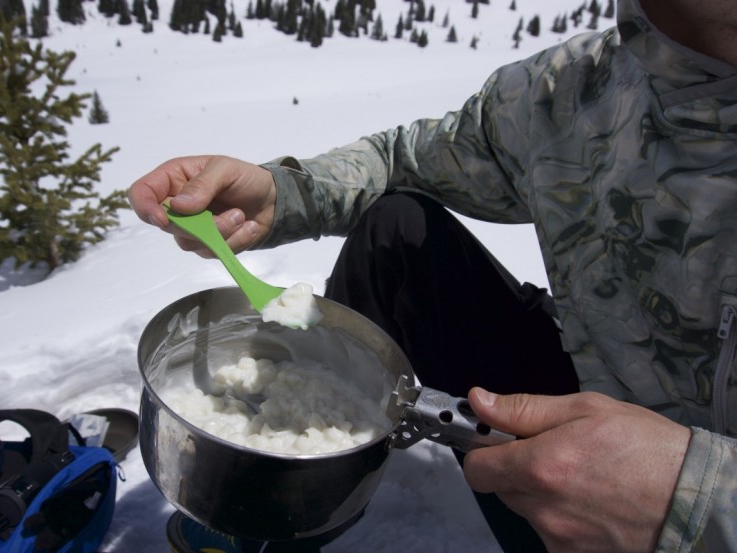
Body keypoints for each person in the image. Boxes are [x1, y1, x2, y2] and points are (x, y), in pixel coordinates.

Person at [129, 0, 737, 551]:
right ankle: (295, 500)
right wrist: (282, 193)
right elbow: (407, 163)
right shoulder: (581, 86)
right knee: (396, 228)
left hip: (677, 521)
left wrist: (702, 504)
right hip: (590, 377)